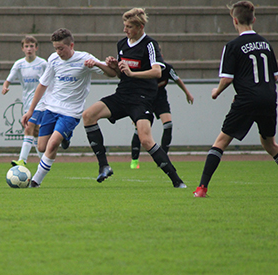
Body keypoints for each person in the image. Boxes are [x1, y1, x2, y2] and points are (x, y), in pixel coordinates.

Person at [82, 7, 187, 188]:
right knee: (88, 116)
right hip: (123, 95)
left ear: (140, 26)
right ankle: (104, 166)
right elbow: (116, 74)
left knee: (146, 140)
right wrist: (107, 65)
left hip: (142, 98)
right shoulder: (122, 44)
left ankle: (176, 180)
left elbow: (156, 71)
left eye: (129, 26)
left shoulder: (150, 45)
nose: (125, 30)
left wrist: (132, 74)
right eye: (125, 26)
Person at [194, 1, 278, 197]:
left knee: (221, 141)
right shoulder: (266, 44)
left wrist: (216, 92)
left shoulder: (232, 46)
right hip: (268, 98)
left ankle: (202, 188)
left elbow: (227, 78)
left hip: (247, 100)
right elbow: (274, 75)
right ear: (253, 20)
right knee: (269, 144)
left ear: (234, 20)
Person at [21, 28, 116, 188]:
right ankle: (66, 136)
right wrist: (30, 111)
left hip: (71, 112)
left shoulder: (85, 59)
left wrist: (97, 64)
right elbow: (42, 85)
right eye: (56, 48)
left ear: (71, 45)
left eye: (61, 48)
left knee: (52, 144)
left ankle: (35, 182)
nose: (58, 52)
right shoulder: (53, 59)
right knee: (42, 147)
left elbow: (111, 74)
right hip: (51, 108)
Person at [130, 58, 194, 169]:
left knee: (168, 124)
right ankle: (134, 160)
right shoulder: (144, 69)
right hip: (146, 100)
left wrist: (187, 93)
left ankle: (163, 158)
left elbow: (177, 80)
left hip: (160, 100)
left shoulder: (167, 68)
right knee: (139, 129)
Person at [2, 35, 47, 167]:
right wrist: (5, 86)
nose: (29, 49)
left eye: (31, 46)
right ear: (22, 48)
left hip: (42, 102)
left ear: (36, 48)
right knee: (36, 132)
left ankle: (22, 160)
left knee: (29, 127)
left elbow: (50, 80)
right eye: (26, 46)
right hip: (28, 103)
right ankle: (44, 161)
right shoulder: (19, 64)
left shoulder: (43, 64)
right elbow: (9, 79)